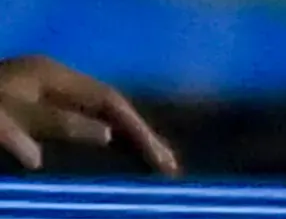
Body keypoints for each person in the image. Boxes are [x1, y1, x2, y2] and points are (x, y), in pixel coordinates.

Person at [0, 54, 175, 176]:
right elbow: (30, 158)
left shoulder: (28, 72)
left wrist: (154, 146)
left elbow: (107, 99)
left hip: (112, 158)